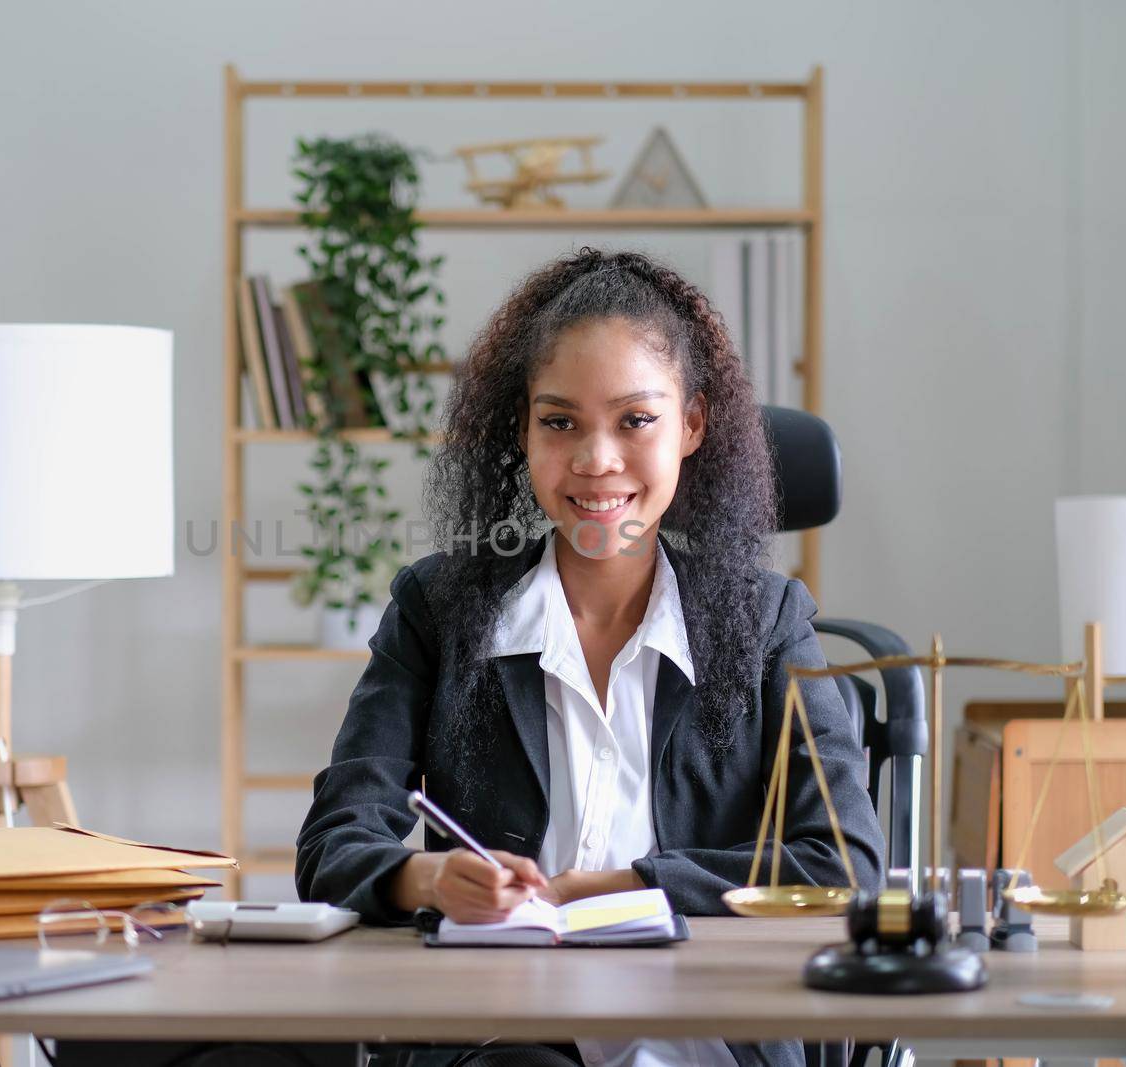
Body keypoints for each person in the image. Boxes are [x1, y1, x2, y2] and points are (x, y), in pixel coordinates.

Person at [295, 248, 885, 1067]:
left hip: (707, 1024)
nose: (595, 459)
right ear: (523, 429)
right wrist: (428, 882)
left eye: (635, 420)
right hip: (503, 1028)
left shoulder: (767, 621)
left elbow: (844, 863)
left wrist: (623, 885)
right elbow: (335, 840)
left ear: (693, 425)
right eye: (560, 421)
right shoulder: (438, 610)